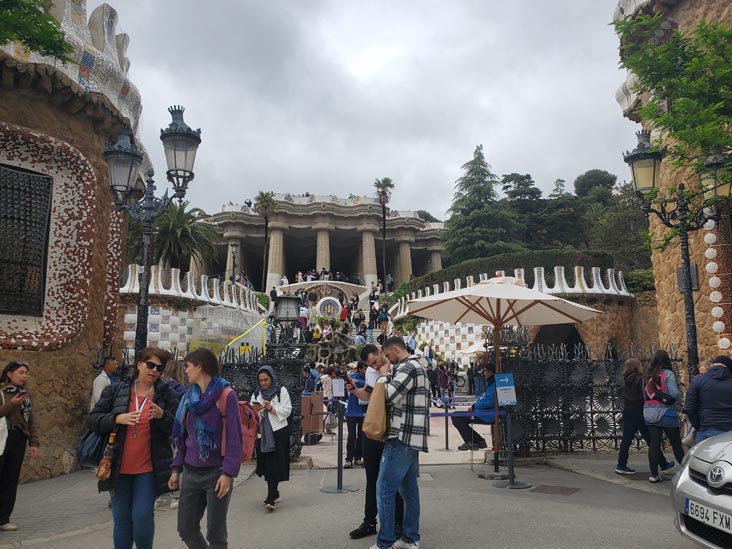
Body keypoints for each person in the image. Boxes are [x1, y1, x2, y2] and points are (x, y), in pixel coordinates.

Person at [88, 347, 179, 549]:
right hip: (118, 467)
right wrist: (116, 418)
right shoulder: (116, 390)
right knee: (121, 519)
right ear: (139, 364)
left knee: (143, 516)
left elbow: (178, 428)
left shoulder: (166, 394)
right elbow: (93, 420)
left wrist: (162, 416)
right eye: (150, 365)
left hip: (147, 469)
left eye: (159, 367)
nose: (154, 370)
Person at [169, 348, 242, 548]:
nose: (185, 371)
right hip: (191, 472)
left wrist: (228, 473)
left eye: (188, 366)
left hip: (216, 473)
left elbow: (235, 437)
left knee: (216, 535)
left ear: (199, 366)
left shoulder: (227, 396)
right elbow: (183, 436)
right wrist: (176, 469)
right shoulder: (188, 399)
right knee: (186, 528)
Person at [371, 336, 429, 549]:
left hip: (401, 436)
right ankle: (410, 538)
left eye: (387, 355)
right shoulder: (418, 366)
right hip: (412, 437)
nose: (387, 359)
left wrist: (383, 377)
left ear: (396, 349)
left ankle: (385, 542)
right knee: (408, 490)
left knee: (384, 488)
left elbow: (389, 395)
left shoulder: (407, 367)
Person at [346, 345, 404, 541]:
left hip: (393, 430)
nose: (375, 365)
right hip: (373, 429)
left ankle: (398, 522)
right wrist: (354, 390)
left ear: (381, 352)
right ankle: (370, 521)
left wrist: (384, 373)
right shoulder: (373, 372)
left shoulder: (398, 367)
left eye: (375, 361)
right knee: (372, 478)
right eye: (370, 364)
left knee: (394, 479)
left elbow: (393, 396)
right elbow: (369, 396)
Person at [0, 361, 39, 532]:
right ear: (9, 374)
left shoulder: (25, 395)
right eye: (21, 372)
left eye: (26, 373)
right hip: (2, 438)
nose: (25, 376)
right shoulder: (1, 392)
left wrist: (34, 442)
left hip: (18, 439)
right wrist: (12, 404)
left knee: (10, 479)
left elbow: (30, 419)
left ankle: (3, 519)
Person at [615, 358, 672, 475]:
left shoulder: (626, 379)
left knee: (626, 439)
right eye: (640, 365)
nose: (642, 367)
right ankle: (663, 464)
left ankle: (621, 464)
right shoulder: (640, 379)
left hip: (628, 409)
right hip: (638, 410)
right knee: (651, 439)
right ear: (636, 367)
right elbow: (644, 395)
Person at [251, 366, 292, 510]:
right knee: (266, 463)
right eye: (261, 380)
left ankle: (271, 497)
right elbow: (251, 411)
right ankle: (273, 493)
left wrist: (271, 409)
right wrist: (256, 410)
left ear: (272, 378)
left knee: (275, 463)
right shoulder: (257, 393)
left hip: (278, 432)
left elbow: (287, 410)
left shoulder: (281, 391)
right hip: (263, 433)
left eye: (266, 380)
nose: (263, 383)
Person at [643, 350, 685, 483]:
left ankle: (654, 474)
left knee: (654, 445)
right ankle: (685, 471)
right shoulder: (668, 374)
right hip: (666, 413)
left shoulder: (647, 375)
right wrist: (680, 391)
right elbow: (673, 393)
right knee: (676, 444)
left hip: (649, 412)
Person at [685, 355, 732, 443]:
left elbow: (690, 407)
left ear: (712, 365)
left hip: (707, 428)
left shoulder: (698, 380)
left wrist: (698, 425)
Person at [452, 365, 496, 450]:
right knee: (457, 415)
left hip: (487, 415)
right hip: (481, 412)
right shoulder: (490, 384)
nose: (483, 373)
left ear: (490, 372)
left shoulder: (494, 385)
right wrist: (474, 406)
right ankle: (478, 440)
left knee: (457, 417)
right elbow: (483, 398)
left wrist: (475, 406)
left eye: (485, 371)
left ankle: (473, 441)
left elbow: (489, 401)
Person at [344, 362, 367, 469]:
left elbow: (368, 385)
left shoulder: (366, 377)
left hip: (363, 411)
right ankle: (349, 459)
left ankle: (358, 457)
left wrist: (358, 382)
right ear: (359, 369)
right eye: (365, 368)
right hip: (352, 411)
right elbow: (350, 383)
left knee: (362, 436)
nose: (366, 370)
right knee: (352, 435)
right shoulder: (353, 376)